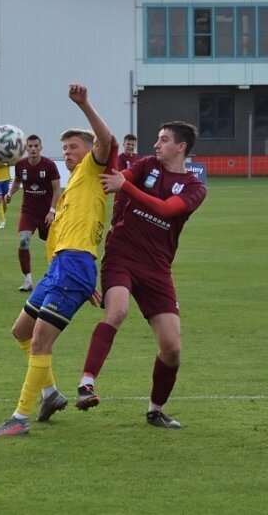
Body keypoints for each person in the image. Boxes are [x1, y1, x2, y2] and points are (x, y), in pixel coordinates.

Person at [0, 83, 118, 437]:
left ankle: (20, 418)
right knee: (21, 332)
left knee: (42, 340)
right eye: (64, 148)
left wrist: (85, 104)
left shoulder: (94, 171)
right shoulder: (74, 184)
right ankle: (50, 394)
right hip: (62, 267)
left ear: (89, 150)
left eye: (73, 146)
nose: (67, 152)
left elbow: (107, 142)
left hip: (75, 266)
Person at [74, 121, 207, 429]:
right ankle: (86, 384)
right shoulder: (146, 165)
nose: (156, 144)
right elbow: (120, 178)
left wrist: (126, 187)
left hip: (158, 268)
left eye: (163, 140)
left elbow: (165, 209)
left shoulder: (194, 187)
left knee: (172, 349)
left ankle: (155, 410)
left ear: (181, 146)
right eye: (157, 138)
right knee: (117, 310)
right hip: (122, 255)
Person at [5, 134, 61, 292]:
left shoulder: (49, 165)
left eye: (36, 146)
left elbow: (57, 190)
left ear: (40, 148)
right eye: (30, 146)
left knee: (56, 247)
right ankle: (28, 280)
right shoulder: (20, 165)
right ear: (26, 148)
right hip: (28, 212)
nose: (33, 149)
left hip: (46, 213)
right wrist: (10, 193)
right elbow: (17, 181)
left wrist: (52, 211)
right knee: (23, 241)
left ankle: (56, 277)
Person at [110, 133, 140, 227]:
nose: (130, 146)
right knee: (116, 222)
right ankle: (110, 240)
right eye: (128, 144)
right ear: (123, 144)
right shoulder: (119, 158)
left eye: (132, 144)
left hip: (134, 197)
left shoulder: (138, 158)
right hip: (122, 197)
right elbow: (121, 175)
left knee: (132, 223)